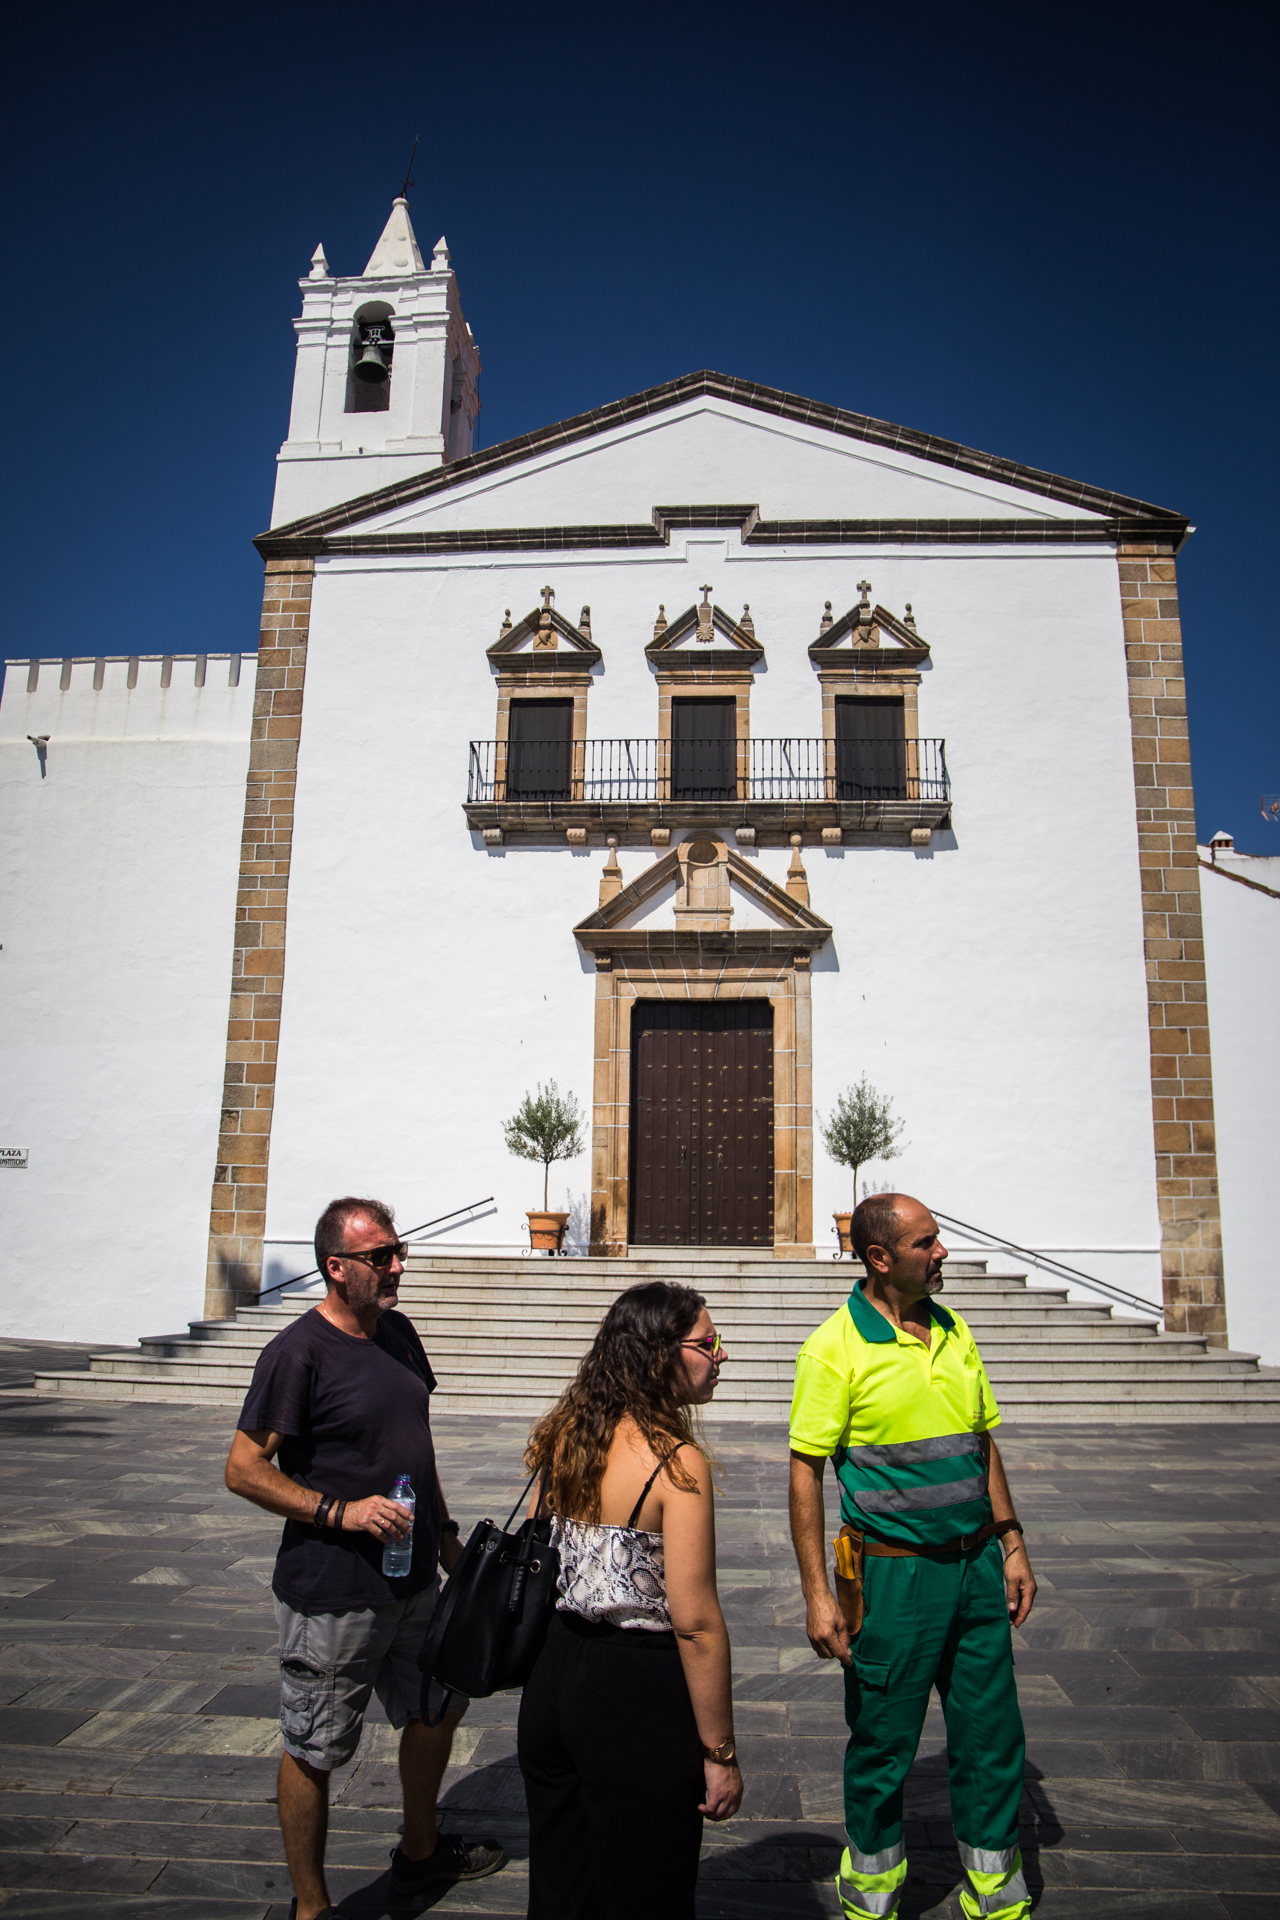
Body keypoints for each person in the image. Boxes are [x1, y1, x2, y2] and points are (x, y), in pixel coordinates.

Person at [224, 1196, 505, 1920]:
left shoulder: (399, 1334)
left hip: (413, 1578)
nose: (397, 1266)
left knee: (438, 1708)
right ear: (336, 1267)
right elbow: (245, 1469)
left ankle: (419, 1851)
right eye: (381, 1257)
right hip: (333, 1593)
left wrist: (447, 1544)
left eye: (397, 1251)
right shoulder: (297, 1353)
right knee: (316, 1746)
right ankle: (311, 1907)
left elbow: (418, 1444)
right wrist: (338, 1511)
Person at [788, 1193, 1037, 1920]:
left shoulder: (955, 1330)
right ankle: (872, 1898)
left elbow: (980, 1443)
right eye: (927, 1242)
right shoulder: (833, 1349)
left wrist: (1012, 1543)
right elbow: (804, 1472)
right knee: (881, 1747)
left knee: (992, 1738)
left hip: (976, 1572)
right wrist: (816, 1594)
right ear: (879, 1257)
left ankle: (996, 1896)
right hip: (891, 1577)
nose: (942, 1252)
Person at [516, 1280, 743, 1919]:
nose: (720, 1354)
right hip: (635, 1691)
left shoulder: (566, 1436)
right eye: (708, 1342)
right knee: (649, 1890)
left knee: (562, 1882)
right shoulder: (677, 1464)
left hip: (553, 1680)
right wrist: (720, 1753)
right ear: (660, 1354)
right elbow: (696, 1623)